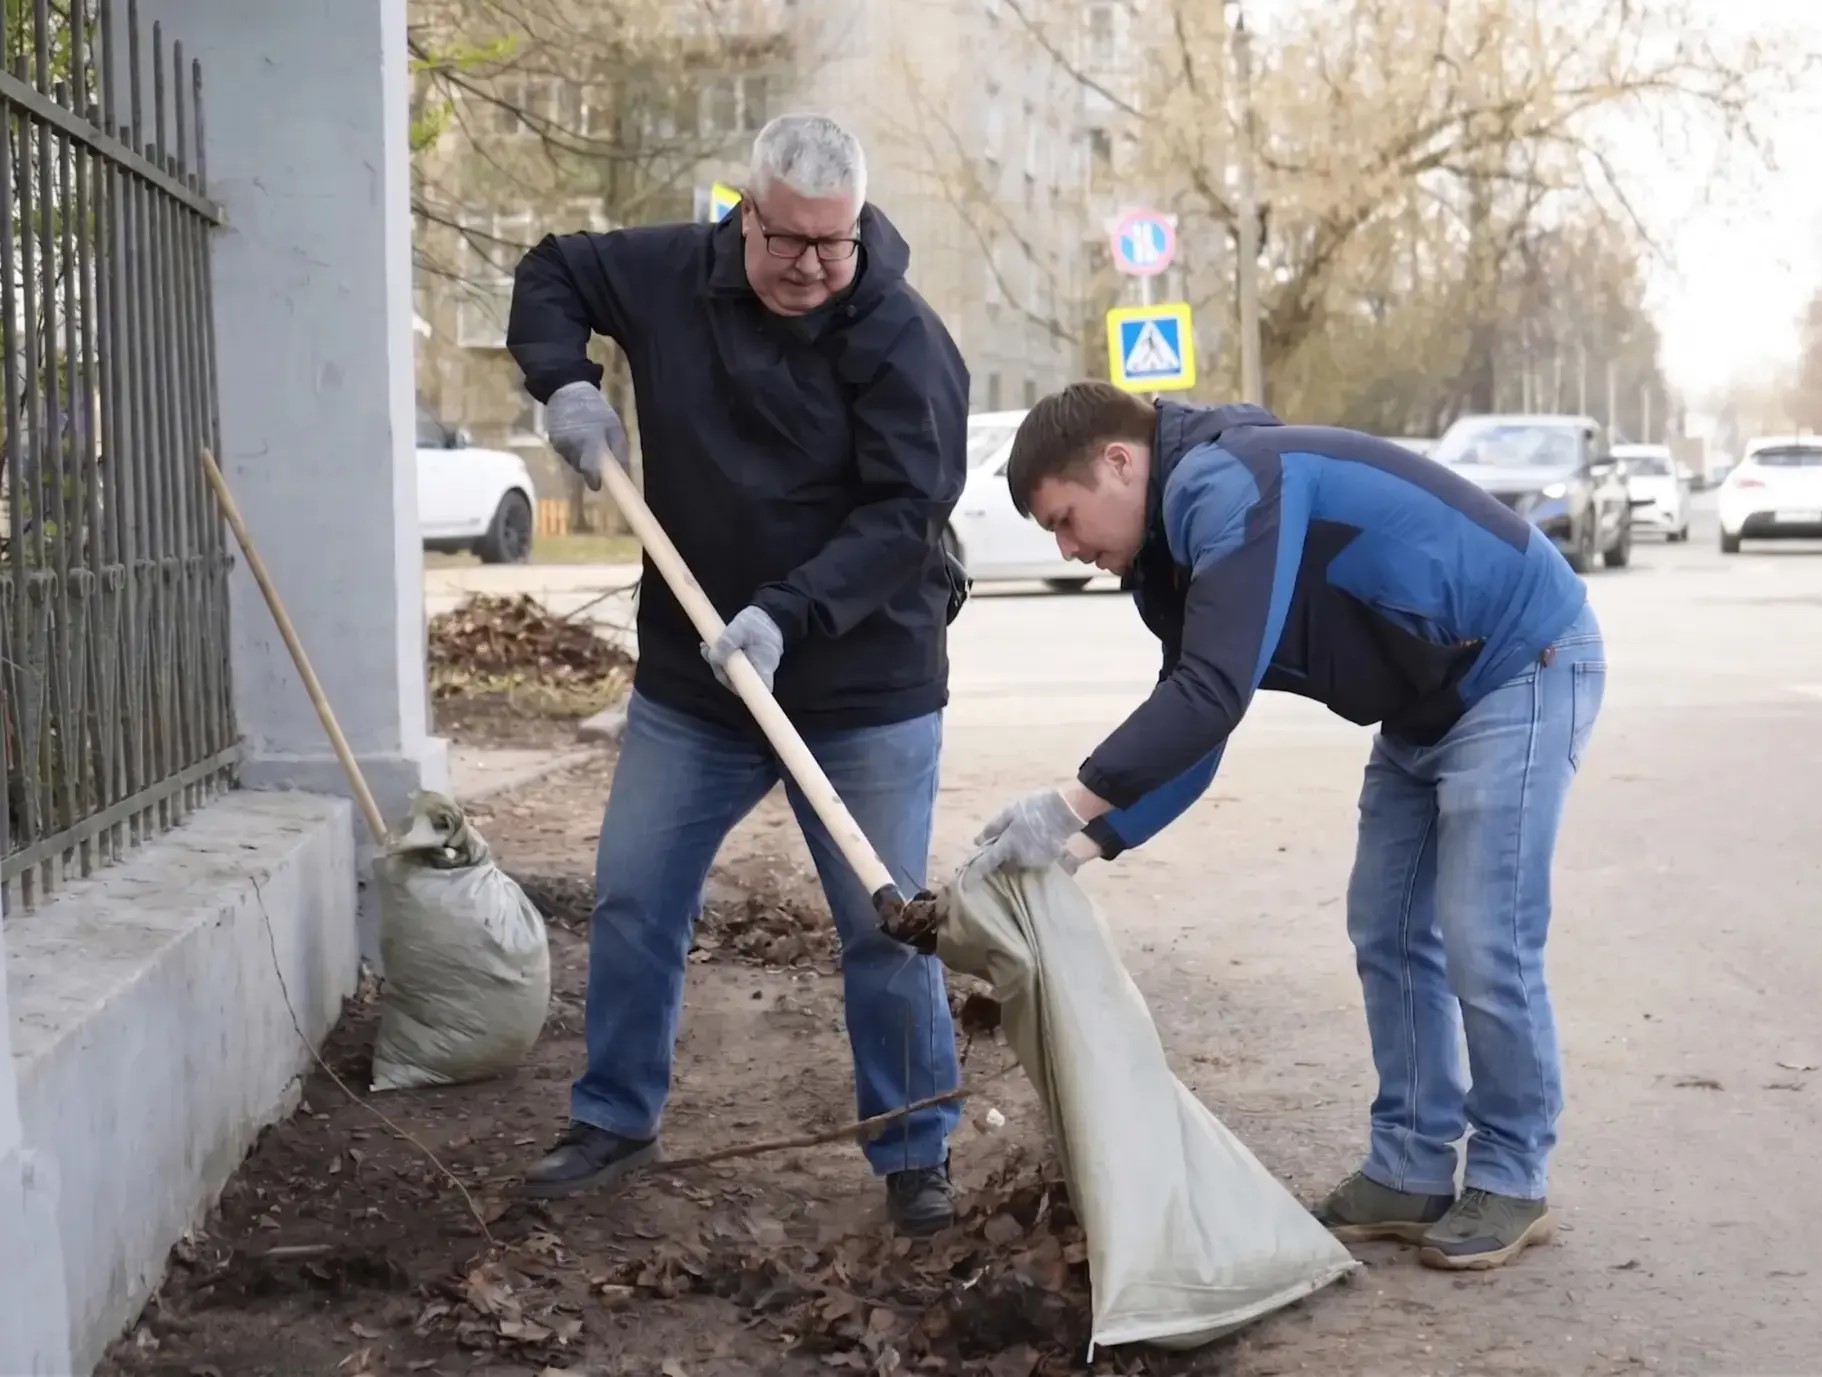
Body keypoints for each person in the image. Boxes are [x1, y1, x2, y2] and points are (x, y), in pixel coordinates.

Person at [970, 382, 1605, 1270]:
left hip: (1519, 660)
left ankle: (1511, 1172)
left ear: (1120, 462)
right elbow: (1199, 718)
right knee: (1384, 927)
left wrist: (1070, 801)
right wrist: (1085, 844)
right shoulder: (1171, 557)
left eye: (1067, 520)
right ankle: (1412, 1169)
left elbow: (1210, 691)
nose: (1073, 551)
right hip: (1425, 702)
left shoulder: (1228, 484)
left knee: (1482, 934)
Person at [503, 113, 973, 1235]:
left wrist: (787, 613)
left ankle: (915, 1149)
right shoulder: (672, 275)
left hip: (863, 684)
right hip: (693, 684)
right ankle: (614, 1117)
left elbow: (909, 512)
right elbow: (554, 268)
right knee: (634, 894)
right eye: (791, 241)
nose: (814, 265)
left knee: (882, 924)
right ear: (742, 214)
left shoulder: (902, 337)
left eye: (837, 243)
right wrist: (563, 379)